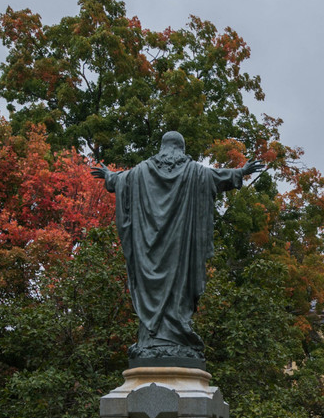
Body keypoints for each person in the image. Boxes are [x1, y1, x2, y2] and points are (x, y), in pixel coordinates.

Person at [91, 132, 263, 361]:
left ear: (162, 148)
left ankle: (154, 338)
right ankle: (165, 337)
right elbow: (216, 176)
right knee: (180, 286)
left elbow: (122, 180)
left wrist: (109, 175)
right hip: (181, 251)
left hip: (148, 251)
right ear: (181, 149)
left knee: (155, 289)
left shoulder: (142, 171)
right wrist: (241, 171)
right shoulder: (194, 172)